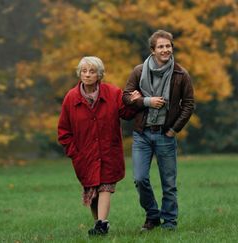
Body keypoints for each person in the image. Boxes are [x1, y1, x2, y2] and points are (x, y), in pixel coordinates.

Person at [58, 56, 140, 236]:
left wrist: (133, 102)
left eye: (92, 71)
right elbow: (64, 131)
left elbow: (126, 114)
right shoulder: (71, 98)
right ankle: (99, 225)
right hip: (84, 155)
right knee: (93, 191)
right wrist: (74, 153)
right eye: (84, 71)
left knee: (105, 187)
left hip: (108, 152)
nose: (87, 75)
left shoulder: (112, 93)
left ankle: (102, 224)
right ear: (79, 73)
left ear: (99, 74)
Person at [122, 30, 195, 231]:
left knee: (169, 184)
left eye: (168, 46)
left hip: (165, 134)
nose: (165, 50)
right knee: (139, 178)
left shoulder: (181, 74)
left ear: (172, 48)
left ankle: (170, 222)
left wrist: (173, 130)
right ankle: (152, 216)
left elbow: (188, 105)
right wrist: (146, 101)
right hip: (142, 134)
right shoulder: (138, 71)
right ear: (153, 50)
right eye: (160, 46)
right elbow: (126, 97)